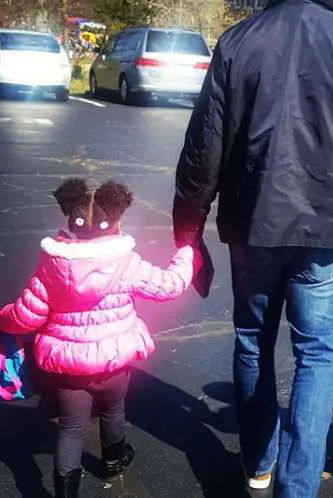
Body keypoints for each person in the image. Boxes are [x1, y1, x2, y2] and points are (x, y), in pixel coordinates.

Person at [173, 0, 333, 497]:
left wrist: (187, 231)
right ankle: (296, 486)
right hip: (325, 228)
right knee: (317, 352)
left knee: (253, 340)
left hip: (254, 225)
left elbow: (204, 149)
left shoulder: (236, 43)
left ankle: (258, 464)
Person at [0, 178, 196, 498]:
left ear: (70, 220)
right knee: (113, 411)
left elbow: (26, 315)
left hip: (69, 369)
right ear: (115, 220)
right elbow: (169, 285)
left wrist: (3, 318)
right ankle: (113, 462)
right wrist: (186, 253)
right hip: (113, 363)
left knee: (71, 429)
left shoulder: (53, 265)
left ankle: (65, 493)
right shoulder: (126, 262)